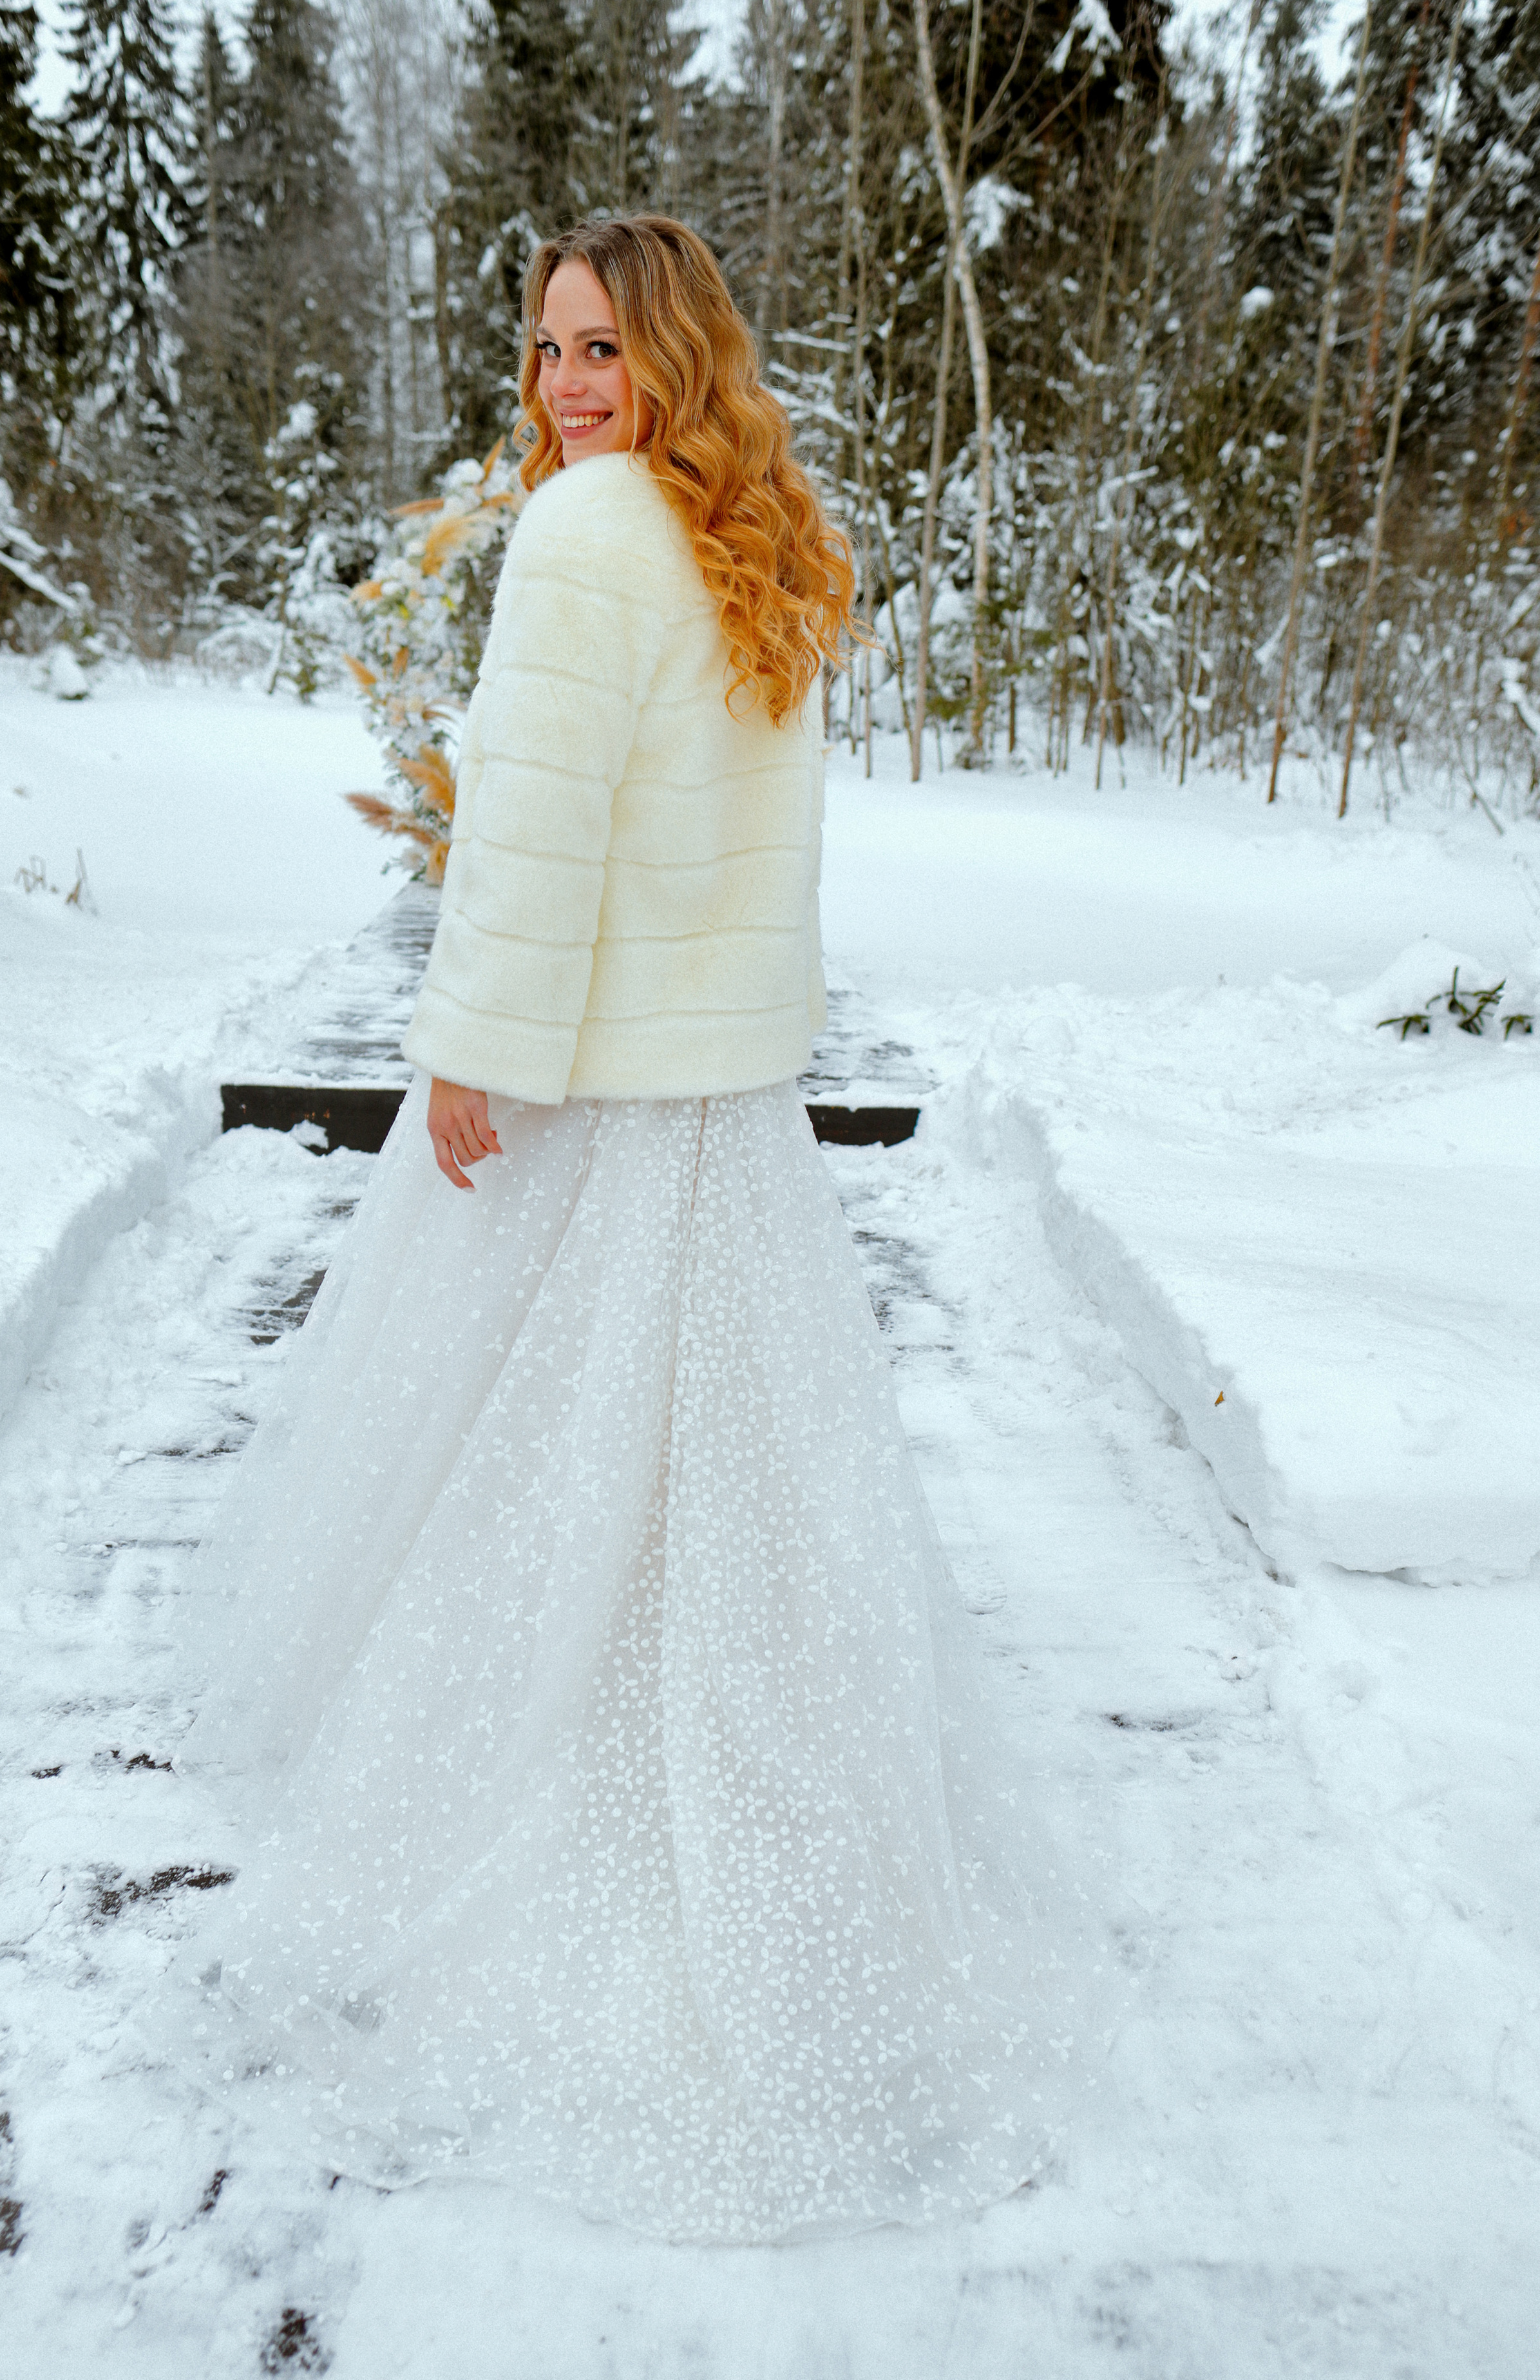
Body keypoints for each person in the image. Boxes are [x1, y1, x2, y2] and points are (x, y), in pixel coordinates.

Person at [173, 214, 1104, 2245]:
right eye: (546, 349)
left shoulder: (589, 537)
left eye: (604, 348)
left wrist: (471, 1054)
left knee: (552, 1473)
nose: (569, 387)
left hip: (607, 1079)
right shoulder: (752, 540)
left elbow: (534, 825)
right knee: (717, 1496)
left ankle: (576, 1826)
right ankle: (759, 1843)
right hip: (728, 1098)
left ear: (679, 358)